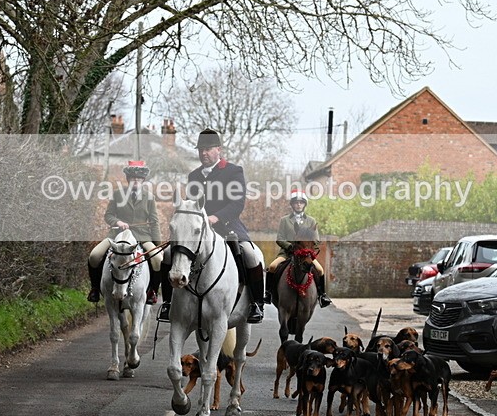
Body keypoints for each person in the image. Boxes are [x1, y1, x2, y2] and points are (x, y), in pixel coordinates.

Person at [157, 128, 265, 323]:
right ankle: (168, 304)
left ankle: (256, 304)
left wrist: (216, 218)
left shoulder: (233, 171)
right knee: (167, 254)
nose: (204, 153)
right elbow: (190, 204)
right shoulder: (194, 176)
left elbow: (237, 203)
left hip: (227, 226)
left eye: (208, 149)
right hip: (198, 230)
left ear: (218, 149)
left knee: (249, 254)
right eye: (201, 150)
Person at [86, 160, 164, 304]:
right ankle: (95, 289)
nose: (136, 182)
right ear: (128, 179)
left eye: (139, 179)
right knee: (94, 256)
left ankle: (152, 291)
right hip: (117, 236)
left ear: (143, 180)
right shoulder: (117, 194)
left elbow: (154, 222)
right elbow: (108, 215)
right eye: (133, 179)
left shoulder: (150, 197)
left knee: (158, 259)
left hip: (142, 236)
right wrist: (118, 222)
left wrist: (157, 245)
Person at [265, 189, 332, 308]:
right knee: (272, 267)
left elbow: (316, 241)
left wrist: (308, 247)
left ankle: (322, 295)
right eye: (296, 202)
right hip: (287, 253)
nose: (298, 204)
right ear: (292, 204)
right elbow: (279, 239)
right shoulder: (284, 220)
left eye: (301, 202)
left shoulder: (311, 221)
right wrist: (290, 247)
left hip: (306, 254)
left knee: (320, 270)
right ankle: (268, 293)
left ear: (305, 204)